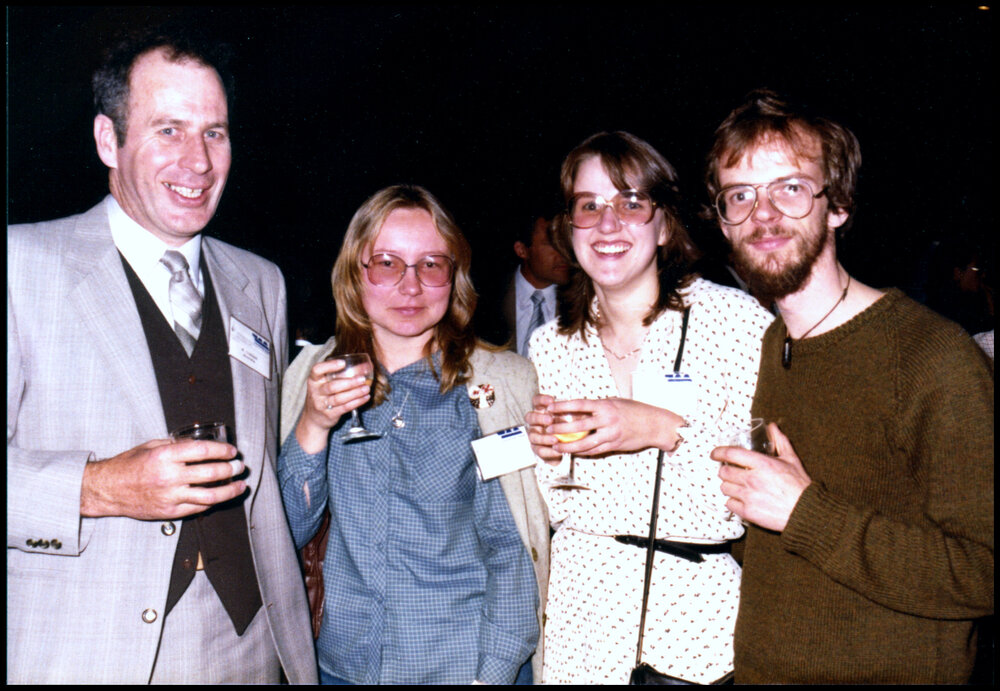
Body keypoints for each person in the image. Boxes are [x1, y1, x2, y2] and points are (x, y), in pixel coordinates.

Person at [6, 29, 316, 684]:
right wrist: (101, 485)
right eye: (168, 130)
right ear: (106, 140)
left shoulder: (262, 282)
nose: (199, 161)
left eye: (215, 132)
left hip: (252, 645)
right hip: (91, 651)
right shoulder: (20, 266)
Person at [706, 90, 994, 683]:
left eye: (789, 188)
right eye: (741, 195)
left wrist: (805, 512)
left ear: (836, 205)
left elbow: (983, 570)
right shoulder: (772, 345)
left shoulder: (932, 356)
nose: (762, 215)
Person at [525, 131, 773, 684]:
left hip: (698, 632)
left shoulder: (735, 323)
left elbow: (764, 480)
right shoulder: (548, 346)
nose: (608, 224)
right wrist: (534, 446)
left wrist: (663, 429)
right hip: (578, 627)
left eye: (631, 203)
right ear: (569, 227)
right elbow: (549, 502)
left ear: (664, 225)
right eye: (589, 206)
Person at [277, 184, 547, 684]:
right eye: (386, 263)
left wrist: (492, 675)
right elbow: (284, 532)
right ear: (355, 274)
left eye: (430, 264)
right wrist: (313, 424)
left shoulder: (495, 385)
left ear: (454, 275)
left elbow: (511, 549)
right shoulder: (312, 374)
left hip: (458, 667)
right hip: (340, 668)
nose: (411, 286)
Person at [500, 213, 571, 355]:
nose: (564, 252)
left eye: (565, 242)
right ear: (522, 250)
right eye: (552, 244)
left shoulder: (583, 301)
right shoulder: (487, 298)